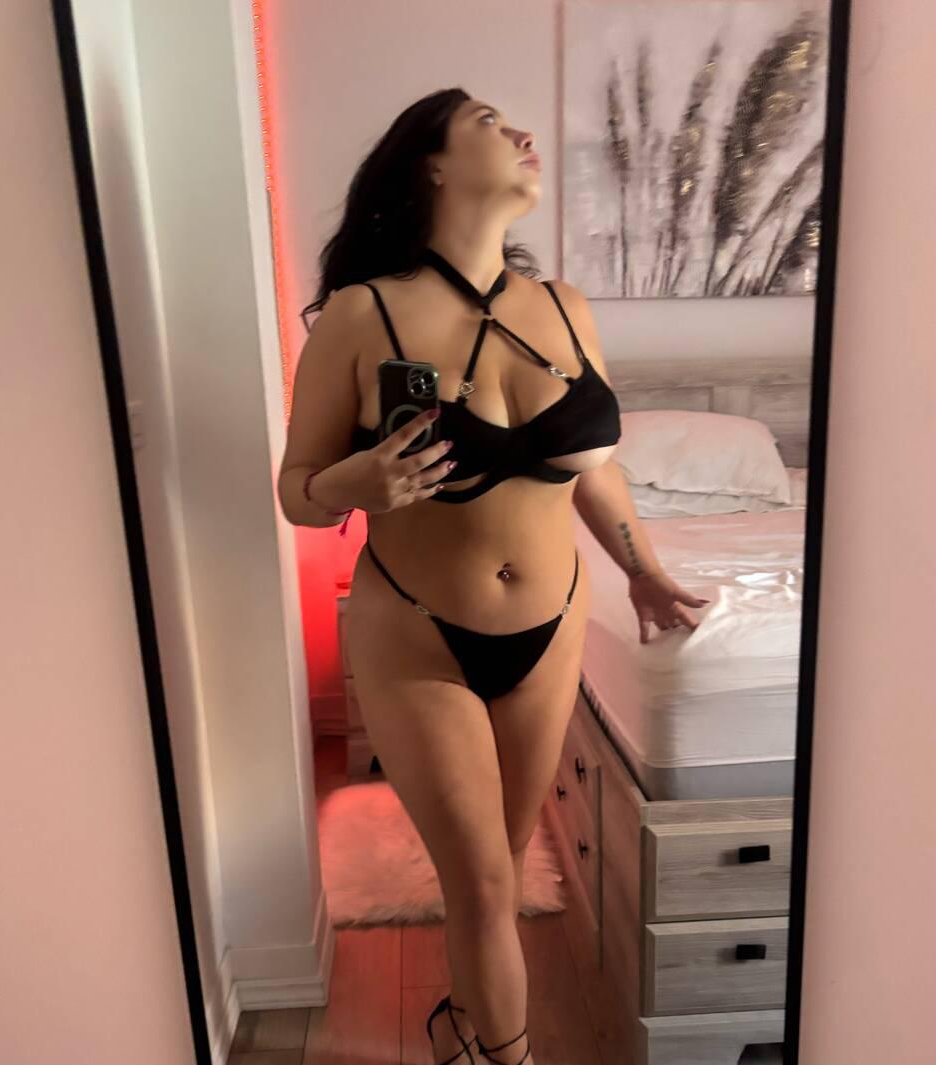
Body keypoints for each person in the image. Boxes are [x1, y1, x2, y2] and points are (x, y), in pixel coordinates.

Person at [278, 87, 709, 1065]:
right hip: (417, 631)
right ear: (430, 164)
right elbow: (298, 490)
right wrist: (354, 482)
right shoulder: (363, 314)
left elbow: (594, 466)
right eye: (486, 123)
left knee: (502, 871)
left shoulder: (563, 308)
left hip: (552, 624)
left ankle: (460, 1029)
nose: (521, 134)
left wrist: (642, 569)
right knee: (477, 881)